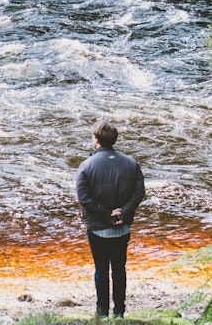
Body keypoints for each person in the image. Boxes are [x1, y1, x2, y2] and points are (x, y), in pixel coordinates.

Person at [75, 120, 146, 319]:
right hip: (122, 227)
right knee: (119, 269)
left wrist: (107, 215)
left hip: (98, 228)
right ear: (114, 140)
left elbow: (84, 198)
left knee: (101, 269)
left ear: (96, 140)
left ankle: (102, 312)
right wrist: (122, 213)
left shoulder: (86, 166)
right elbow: (139, 192)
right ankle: (119, 312)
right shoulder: (131, 163)